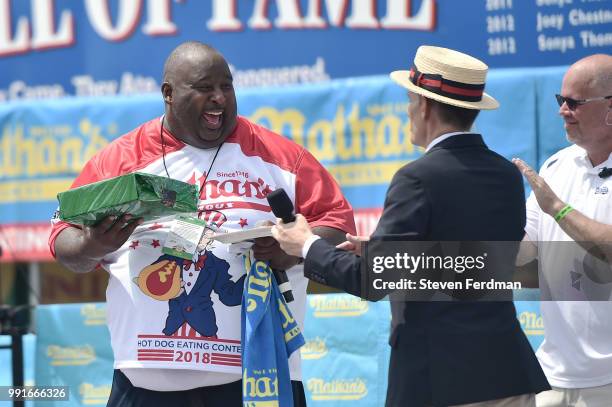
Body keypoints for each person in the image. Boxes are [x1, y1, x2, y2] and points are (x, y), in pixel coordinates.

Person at [49, 41, 355, 407]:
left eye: (227, 86)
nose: (220, 99)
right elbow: (62, 240)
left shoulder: (280, 157)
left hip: (255, 382)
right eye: (205, 88)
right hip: (145, 386)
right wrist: (91, 246)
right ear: (168, 93)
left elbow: (338, 225)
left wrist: (290, 251)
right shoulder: (119, 161)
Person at [272, 45, 550, 407]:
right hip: (506, 372)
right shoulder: (505, 176)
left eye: (409, 100)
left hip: (440, 378)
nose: (407, 111)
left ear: (425, 106)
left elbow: (370, 281)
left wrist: (306, 244)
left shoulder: (416, 178)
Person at [512, 54, 612, 407]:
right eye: (560, 100)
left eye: (574, 102)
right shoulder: (556, 166)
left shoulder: (551, 190)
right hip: (553, 375)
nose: (562, 111)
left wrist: (558, 208)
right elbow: (524, 254)